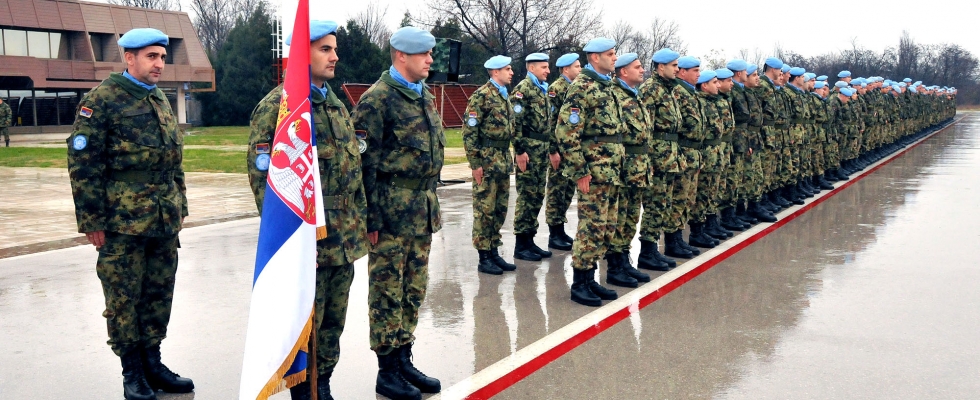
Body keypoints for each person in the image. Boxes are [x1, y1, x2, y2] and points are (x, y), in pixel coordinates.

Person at [66, 27, 193, 400]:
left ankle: (153, 363)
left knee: (158, 294)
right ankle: (132, 372)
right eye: (152, 56)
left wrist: (180, 205)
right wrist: (92, 222)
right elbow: (83, 164)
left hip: (163, 219)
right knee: (123, 298)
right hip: (122, 222)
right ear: (129, 57)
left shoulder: (159, 99)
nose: (159, 64)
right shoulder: (101, 101)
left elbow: (173, 160)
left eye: (163, 57)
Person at [246, 20, 367, 400]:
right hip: (306, 244)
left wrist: (361, 227)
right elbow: (267, 183)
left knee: (332, 325)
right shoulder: (280, 107)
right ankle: (305, 393)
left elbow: (353, 174)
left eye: (334, 49)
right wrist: (294, 243)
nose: (335, 56)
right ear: (303, 54)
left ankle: (323, 384)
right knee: (305, 327)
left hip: (342, 240)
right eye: (325, 49)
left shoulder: (335, 105)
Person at [351, 26, 443, 400]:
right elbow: (364, 165)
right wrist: (371, 218)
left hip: (421, 210)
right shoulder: (377, 100)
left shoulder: (423, 94)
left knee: (413, 289)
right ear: (401, 56)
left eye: (431, 53)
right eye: (424, 54)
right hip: (390, 214)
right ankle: (386, 371)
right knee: (387, 291)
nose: (430, 60)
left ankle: (404, 358)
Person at [554, 37, 624, 306]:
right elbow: (566, 132)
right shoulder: (582, 87)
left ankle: (591, 278)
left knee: (605, 227)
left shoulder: (606, 85)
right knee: (591, 227)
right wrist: (580, 170)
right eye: (610, 54)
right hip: (593, 172)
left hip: (610, 170)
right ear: (595, 57)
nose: (615, 58)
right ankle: (579, 283)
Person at [463, 54, 518, 275]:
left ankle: (494, 251)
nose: (511, 72)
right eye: (507, 69)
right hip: (486, 161)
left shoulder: (504, 95)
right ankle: (484, 256)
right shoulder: (481, 96)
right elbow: (469, 132)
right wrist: (475, 163)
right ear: (496, 72)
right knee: (484, 210)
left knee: (499, 209)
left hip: (502, 160)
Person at [637, 48, 687, 262]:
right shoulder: (651, 89)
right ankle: (647, 251)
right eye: (674, 65)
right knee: (655, 204)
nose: (677, 69)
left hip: (670, 155)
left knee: (665, 202)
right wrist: (649, 159)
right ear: (660, 67)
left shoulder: (669, 88)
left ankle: (664, 245)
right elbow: (645, 127)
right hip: (657, 156)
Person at [607, 52, 654, 284]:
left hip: (639, 166)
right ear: (624, 72)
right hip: (624, 166)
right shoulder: (615, 95)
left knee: (631, 216)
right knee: (619, 216)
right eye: (637, 67)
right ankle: (614, 267)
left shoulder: (635, 95)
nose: (642, 70)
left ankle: (625, 261)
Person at [511, 53, 555, 261]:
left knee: (537, 196)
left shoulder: (541, 89)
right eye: (543, 67)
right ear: (531, 68)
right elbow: (515, 123)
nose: (548, 71)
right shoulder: (523, 90)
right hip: (528, 151)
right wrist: (520, 151)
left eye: (547, 67)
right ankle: (521, 245)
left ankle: (530, 240)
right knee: (527, 196)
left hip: (541, 150)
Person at [545, 53, 581, 251]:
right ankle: (554, 233)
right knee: (556, 191)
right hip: (558, 149)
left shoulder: (574, 88)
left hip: (569, 149)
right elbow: (550, 123)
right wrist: (553, 150)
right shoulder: (556, 89)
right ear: (566, 69)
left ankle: (560, 230)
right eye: (577, 66)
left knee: (567, 191)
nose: (580, 69)